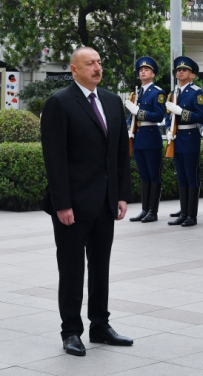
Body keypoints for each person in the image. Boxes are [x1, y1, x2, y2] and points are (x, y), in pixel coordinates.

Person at [40, 47, 134, 357]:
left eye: (99, 63)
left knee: (100, 267)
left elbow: (120, 153)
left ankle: (100, 325)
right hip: (73, 205)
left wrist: (121, 194)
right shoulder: (60, 103)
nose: (97, 68)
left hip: (105, 203)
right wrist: (61, 203)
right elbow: (55, 158)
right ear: (74, 69)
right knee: (71, 270)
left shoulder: (111, 101)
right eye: (90, 64)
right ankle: (71, 331)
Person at [165, 56, 203, 226]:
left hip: (190, 136)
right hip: (176, 137)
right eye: (178, 70)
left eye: (184, 70)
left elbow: (201, 115)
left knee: (191, 176)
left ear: (192, 75)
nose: (180, 72)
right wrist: (168, 129)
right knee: (181, 177)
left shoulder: (196, 92)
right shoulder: (173, 93)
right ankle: (183, 213)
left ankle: (192, 215)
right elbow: (168, 116)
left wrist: (181, 112)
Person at [124, 56, 165, 223]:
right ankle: (144, 209)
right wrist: (128, 128)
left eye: (146, 69)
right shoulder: (137, 93)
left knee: (154, 175)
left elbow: (159, 115)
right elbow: (130, 116)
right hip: (139, 137)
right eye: (141, 70)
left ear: (153, 73)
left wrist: (138, 112)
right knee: (144, 176)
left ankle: (152, 211)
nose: (143, 72)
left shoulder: (157, 92)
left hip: (151, 136)